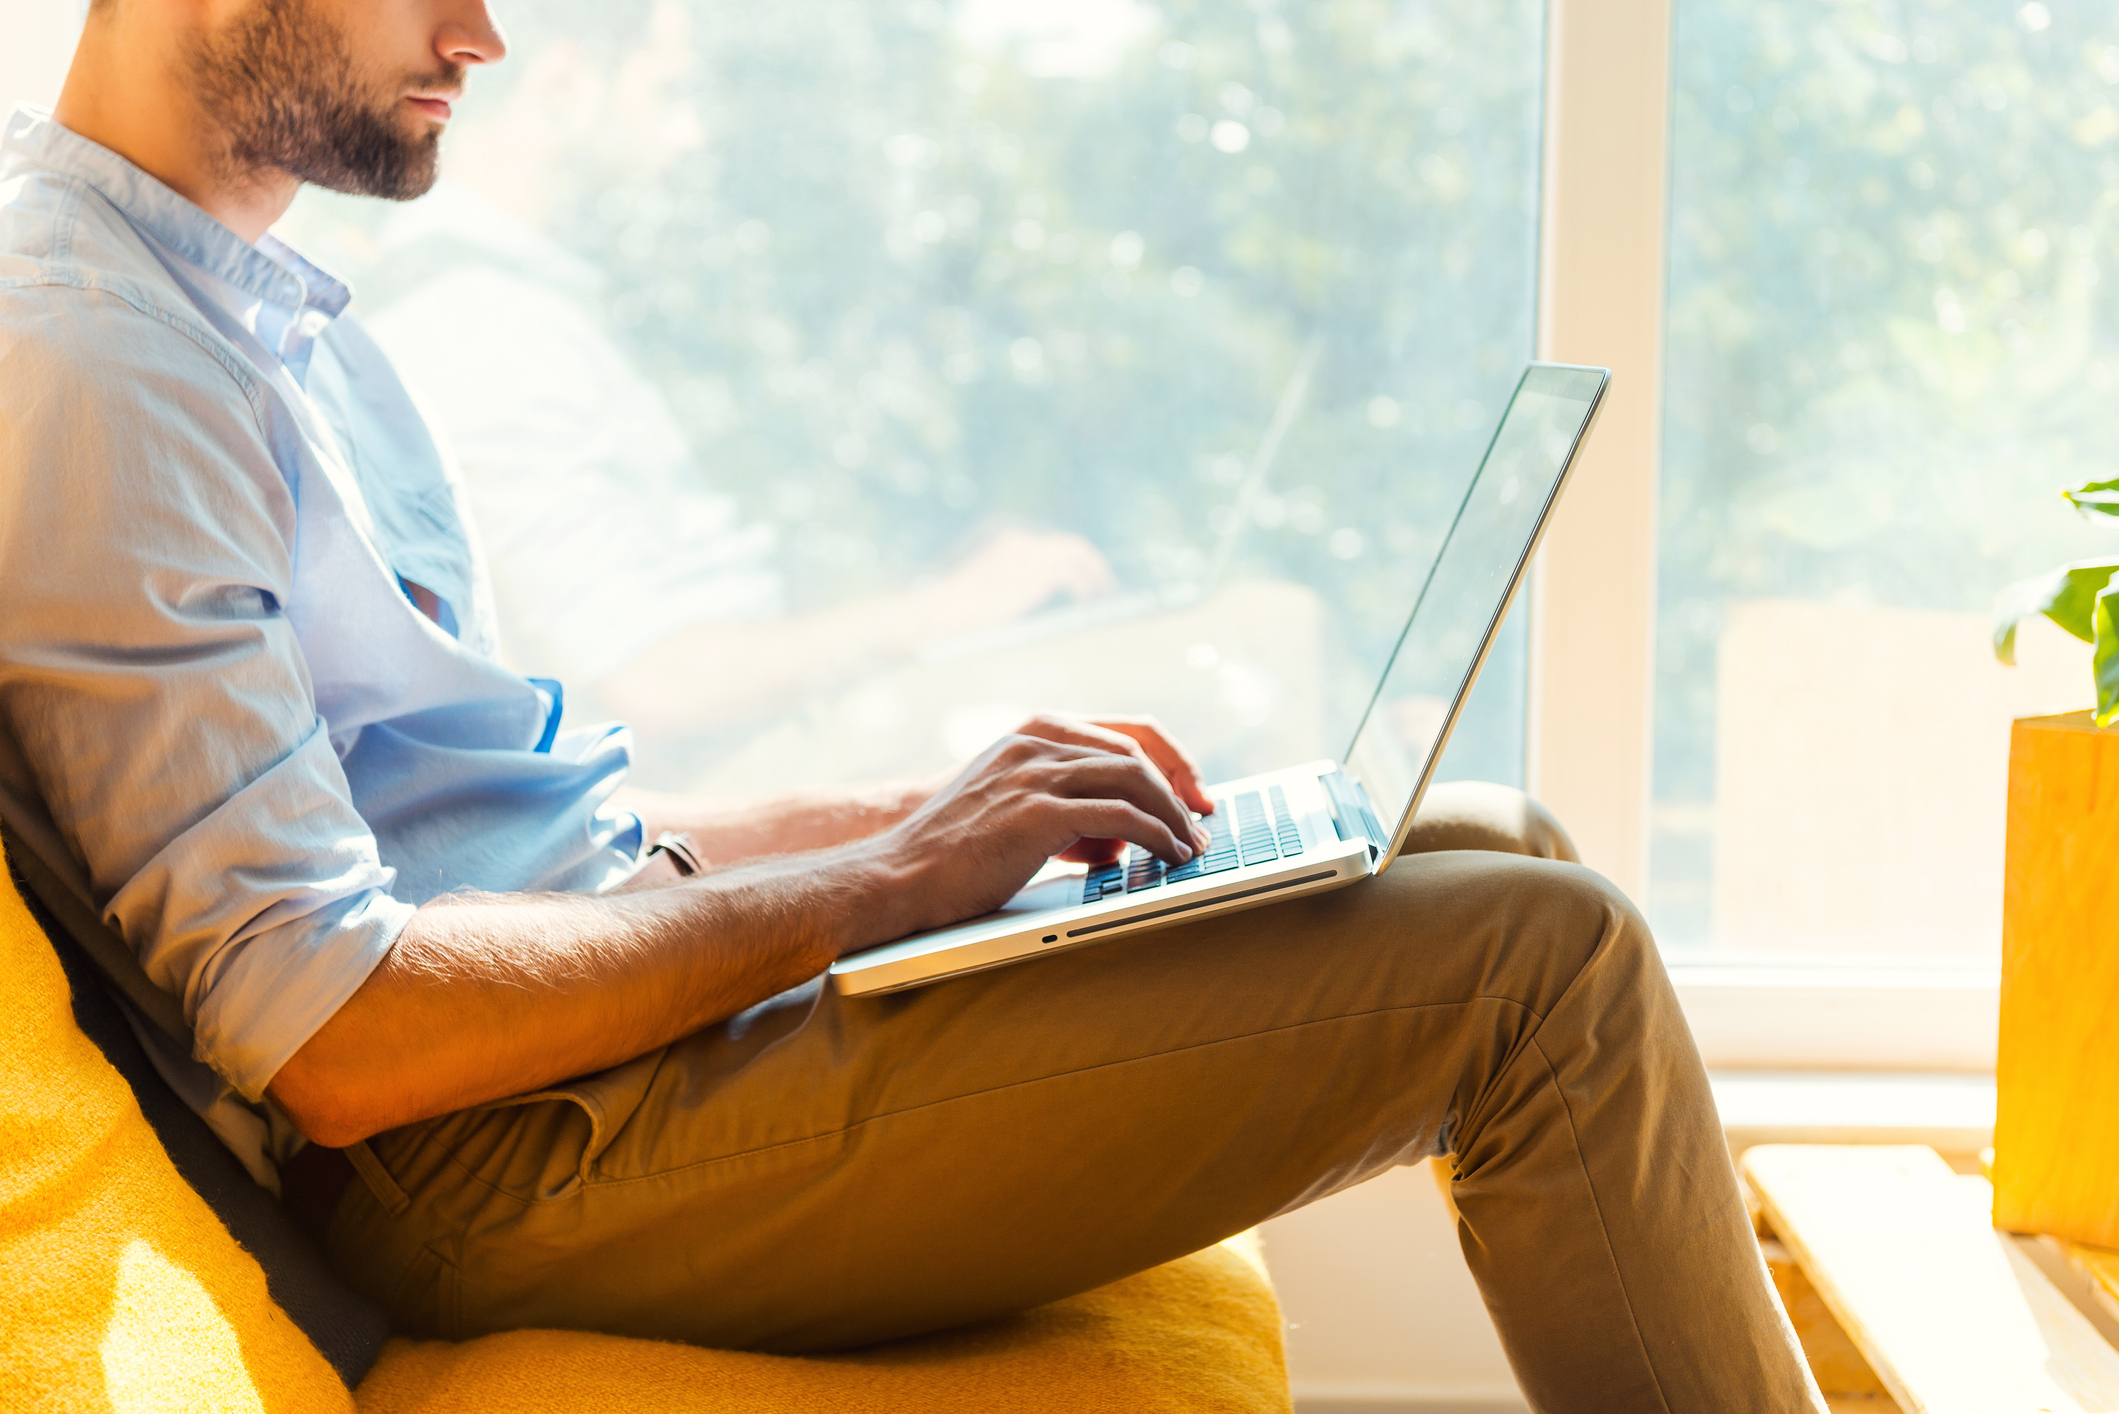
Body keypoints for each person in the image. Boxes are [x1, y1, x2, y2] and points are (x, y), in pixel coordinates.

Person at [0, 1, 1826, 1408]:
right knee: (1542, 966)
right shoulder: (97, 358)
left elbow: (539, 847)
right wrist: (890, 888)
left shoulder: (253, 315)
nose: (485, 35)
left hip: (586, 1035)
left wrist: (931, 807)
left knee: (1483, 836)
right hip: (493, 1155)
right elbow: (333, 1034)